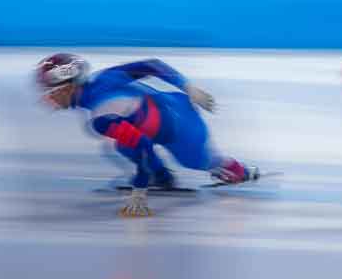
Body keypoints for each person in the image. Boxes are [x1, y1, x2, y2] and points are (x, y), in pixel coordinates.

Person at [33, 52, 259, 217]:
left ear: (67, 87)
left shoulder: (101, 117)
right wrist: (187, 87)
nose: (48, 101)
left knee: (197, 161)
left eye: (49, 94)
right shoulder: (105, 78)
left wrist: (140, 188)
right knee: (119, 145)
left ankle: (239, 171)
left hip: (182, 131)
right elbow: (152, 65)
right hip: (175, 105)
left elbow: (143, 146)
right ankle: (161, 177)